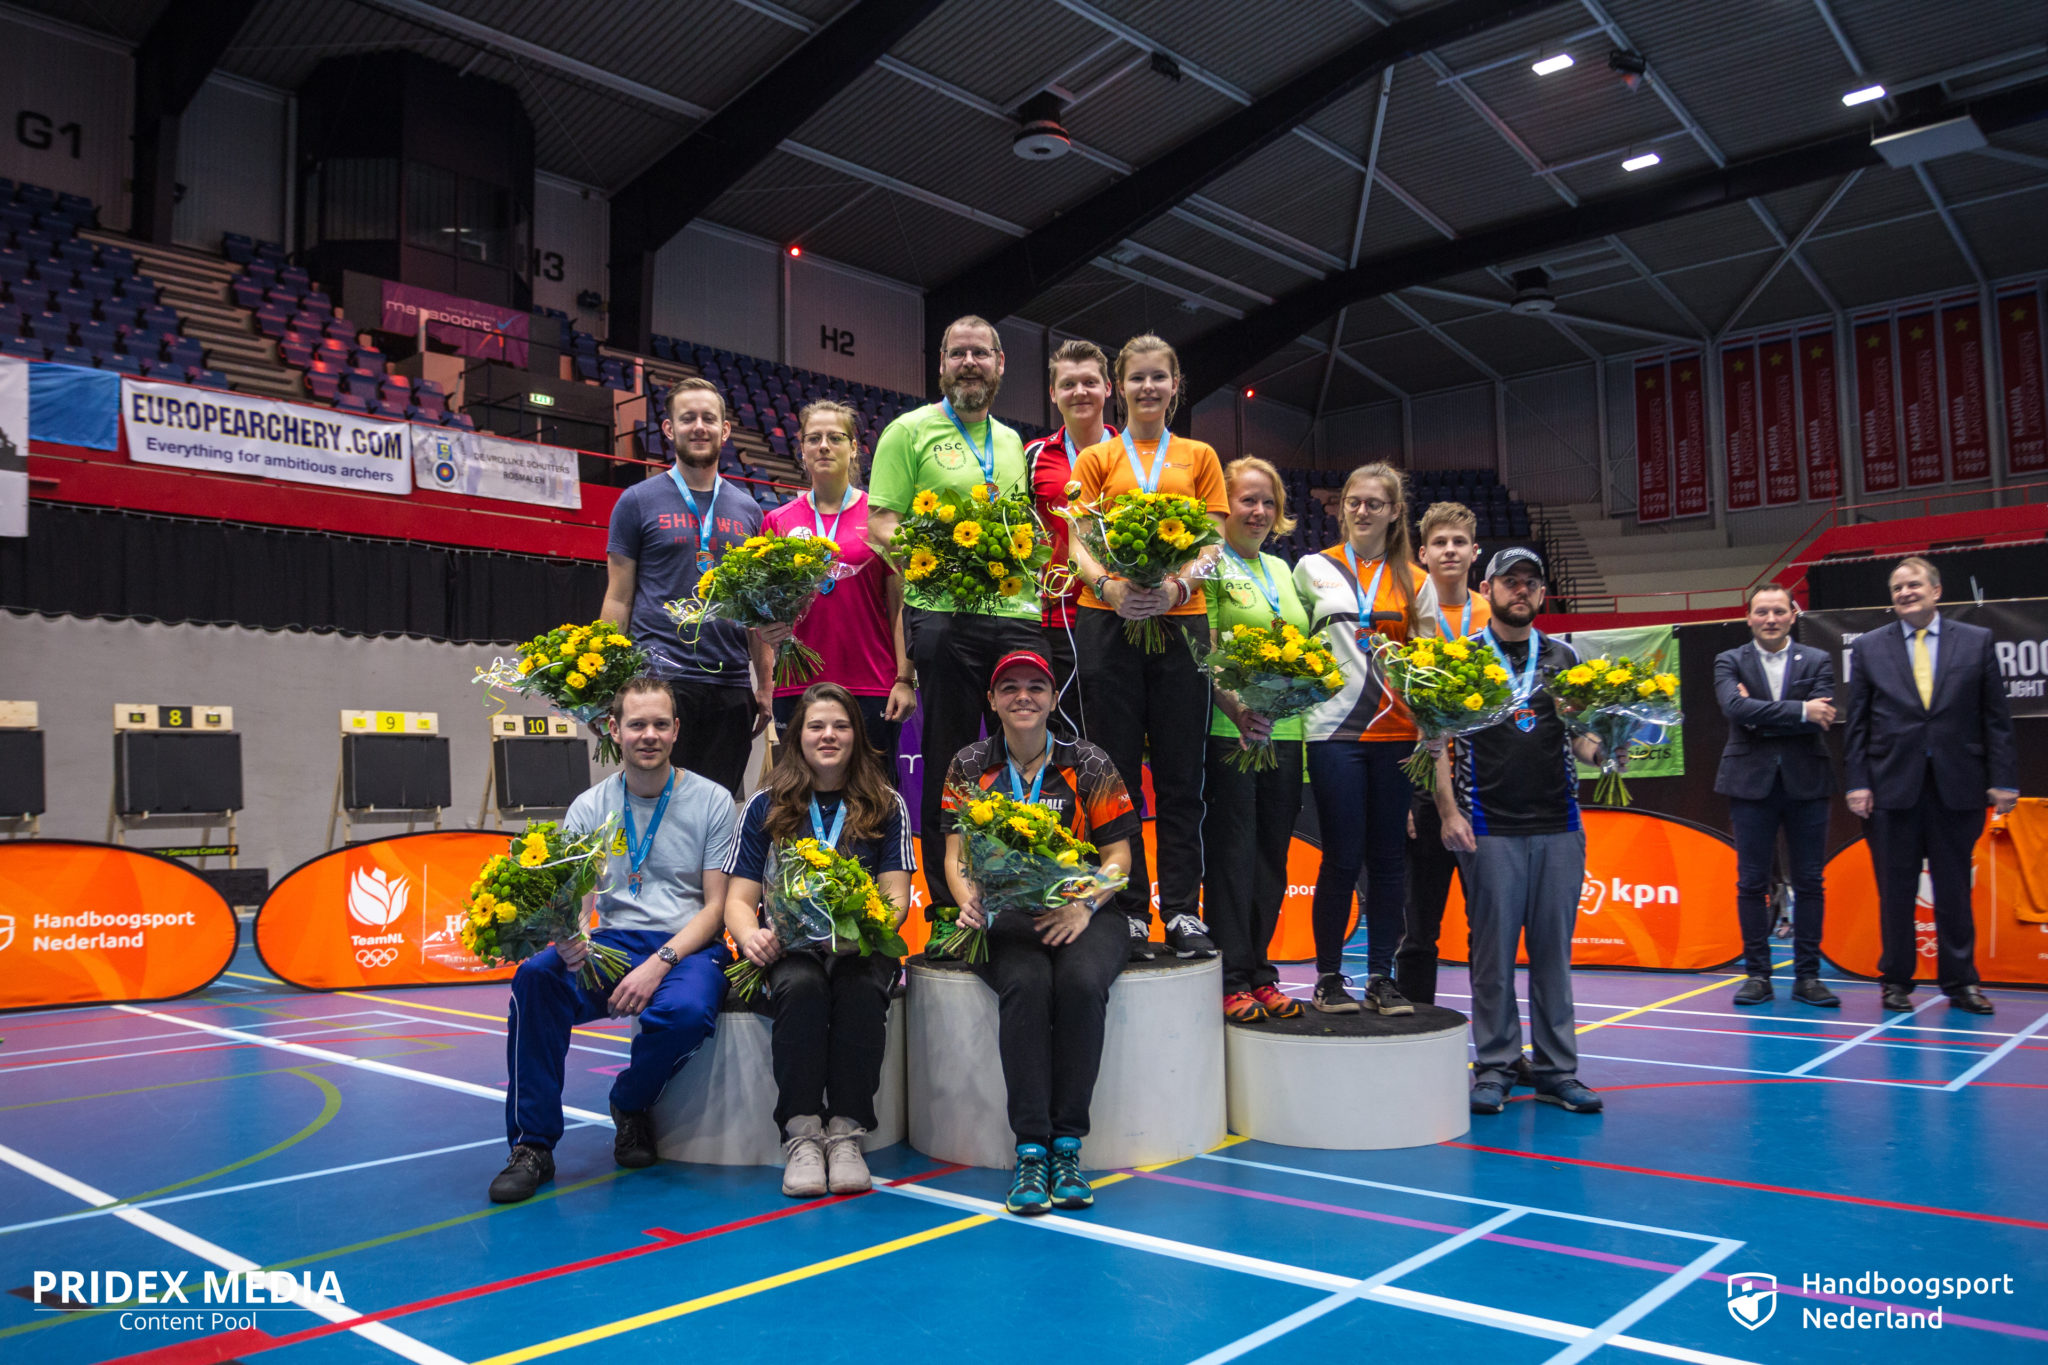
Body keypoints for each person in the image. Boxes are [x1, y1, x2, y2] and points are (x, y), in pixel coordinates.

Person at [490, 675, 737, 1202]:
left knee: (687, 1013)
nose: (648, 734)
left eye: (660, 724)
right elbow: (579, 905)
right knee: (535, 979)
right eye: (636, 724)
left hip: (687, 944)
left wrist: (661, 962)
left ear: (676, 731)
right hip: (613, 942)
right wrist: (571, 938)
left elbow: (716, 907)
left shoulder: (714, 801)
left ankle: (630, 1101)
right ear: (614, 730)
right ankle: (532, 1145)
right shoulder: (588, 807)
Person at [944, 651, 1136, 1216]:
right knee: (1026, 986)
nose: (1022, 697)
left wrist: (1083, 905)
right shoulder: (969, 763)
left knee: (1079, 984)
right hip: (1006, 917)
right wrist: (968, 901)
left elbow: (1119, 856)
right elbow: (956, 855)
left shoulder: (1089, 762)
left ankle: (1068, 1145)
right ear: (992, 700)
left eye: (1035, 687)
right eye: (1010, 688)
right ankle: (1031, 1149)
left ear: (1053, 700)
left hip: (1086, 912)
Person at [867, 317, 1042, 919]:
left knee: (1024, 749)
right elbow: (882, 523)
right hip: (942, 616)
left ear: (1000, 364)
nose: (970, 363)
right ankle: (946, 906)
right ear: (941, 364)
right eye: (958, 353)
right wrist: (945, 557)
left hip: (1013, 613)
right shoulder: (907, 431)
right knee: (947, 757)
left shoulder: (1014, 442)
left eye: (981, 354)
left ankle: (1020, 884)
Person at [1435, 549, 1608, 1116]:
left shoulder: (1563, 656)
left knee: (1554, 956)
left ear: (1540, 593)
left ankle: (1558, 1070)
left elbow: (1578, 737)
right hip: (1489, 826)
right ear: (1489, 588)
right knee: (1492, 958)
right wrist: (1448, 813)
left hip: (1560, 825)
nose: (1522, 591)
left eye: (1531, 583)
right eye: (1511, 582)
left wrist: (1605, 748)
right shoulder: (1462, 658)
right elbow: (1435, 740)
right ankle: (1496, 1065)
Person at [723, 683, 914, 1197]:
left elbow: (895, 896)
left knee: (860, 989)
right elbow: (739, 899)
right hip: (790, 948)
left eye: (840, 725)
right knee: (801, 990)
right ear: (796, 736)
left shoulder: (885, 803)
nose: (828, 735)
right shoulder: (766, 804)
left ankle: (847, 1132)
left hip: (860, 948)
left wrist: (867, 932)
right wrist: (750, 936)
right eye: (816, 726)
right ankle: (803, 1133)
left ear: (857, 733)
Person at [1070, 334, 1225, 962]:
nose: (1148, 389)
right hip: (1106, 622)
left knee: (1183, 776)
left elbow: (1212, 539)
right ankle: (1130, 910)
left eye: (1159, 378)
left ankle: (1183, 910)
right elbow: (1078, 539)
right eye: (1137, 379)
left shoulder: (1200, 455)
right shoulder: (1097, 458)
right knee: (1115, 776)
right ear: (1118, 385)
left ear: (1175, 385)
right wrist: (1108, 586)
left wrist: (1178, 585)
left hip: (1181, 620)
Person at [1844, 556, 2017, 1016]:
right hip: (1890, 790)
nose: (1905, 593)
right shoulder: (1868, 648)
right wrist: (1857, 783)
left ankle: (1961, 982)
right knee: (1895, 891)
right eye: (1897, 587)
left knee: (1956, 890)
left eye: (1914, 584)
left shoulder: (1977, 641)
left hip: (1957, 786)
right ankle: (1896, 981)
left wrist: (2003, 780)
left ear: (1937, 590)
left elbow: (1995, 719)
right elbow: (1856, 724)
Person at [1294, 463, 1426, 1013]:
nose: (1363, 511)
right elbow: (1290, 647)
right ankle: (1328, 978)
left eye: (1375, 503)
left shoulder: (1415, 580)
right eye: (1354, 501)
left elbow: (1429, 663)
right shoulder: (1310, 569)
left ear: (1395, 511)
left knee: (1390, 860)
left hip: (1397, 734)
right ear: (1341, 507)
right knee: (1342, 857)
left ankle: (1380, 977)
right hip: (1333, 733)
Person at [603, 377, 772, 797]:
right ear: (668, 429)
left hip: (731, 686)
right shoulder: (636, 501)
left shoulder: (749, 510)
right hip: (659, 683)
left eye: (709, 419)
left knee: (716, 812)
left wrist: (765, 685)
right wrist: (606, 682)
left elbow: (757, 610)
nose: (699, 427)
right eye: (688, 418)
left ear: (725, 430)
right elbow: (618, 597)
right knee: (654, 808)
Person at [1203, 456, 1308, 1024]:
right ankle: (1230, 976)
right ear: (1225, 506)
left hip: (1287, 736)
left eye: (1268, 501)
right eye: (1247, 499)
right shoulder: (1211, 563)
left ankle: (1262, 972)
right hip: (1231, 736)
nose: (1259, 511)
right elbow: (1208, 648)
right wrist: (1239, 711)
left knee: (1272, 858)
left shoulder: (1282, 570)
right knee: (1232, 859)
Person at [761, 401, 917, 766]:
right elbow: (761, 607)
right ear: (801, 450)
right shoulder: (777, 521)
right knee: (799, 797)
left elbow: (900, 606)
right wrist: (765, 628)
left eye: (835, 437)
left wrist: (904, 678)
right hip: (797, 685)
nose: (824, 446)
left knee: (873, 798)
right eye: (813, 438)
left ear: (854, 448)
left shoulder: (881, 521)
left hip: (871, 682)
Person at [1713, 583, 1840, 1008]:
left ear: (1793, 615)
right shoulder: (1728, 660)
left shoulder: (1819, 660)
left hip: (1808, 782)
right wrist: (1801, 710)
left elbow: (1823, 716)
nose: (1771, 619)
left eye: (1779, 611)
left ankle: (1808, 977)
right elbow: (1735, 709)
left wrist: (1762, 716)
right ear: (1748, 618)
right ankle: (1757, 975)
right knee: (1751, 883)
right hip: (1750, 784)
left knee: (1810, 882)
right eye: (1762, 612)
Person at [1396, 501, 1490, 1007]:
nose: (1449, 551)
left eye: (1458, 542)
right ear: (1423, 554)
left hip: (1485, 790)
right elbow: (1403, 710)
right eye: (1439, 543)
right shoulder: (1411, 616)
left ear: (1475, 552)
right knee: (1419, 928)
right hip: (1425, 789)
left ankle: (1497, 1046)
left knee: (1488, 931)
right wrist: (1411, 797)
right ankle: (1417, 1029)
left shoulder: (1493, 616)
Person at [1023, 339, 1119, 738]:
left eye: (1090, 382)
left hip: (1117, 616)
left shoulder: (1132, 457)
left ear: (1108, 388)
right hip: (1052, 619)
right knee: (1056, 736)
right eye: (1068, 384)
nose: (1079, 392)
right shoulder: (1032, 455)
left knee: (1111, 733)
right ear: (1053, 393)